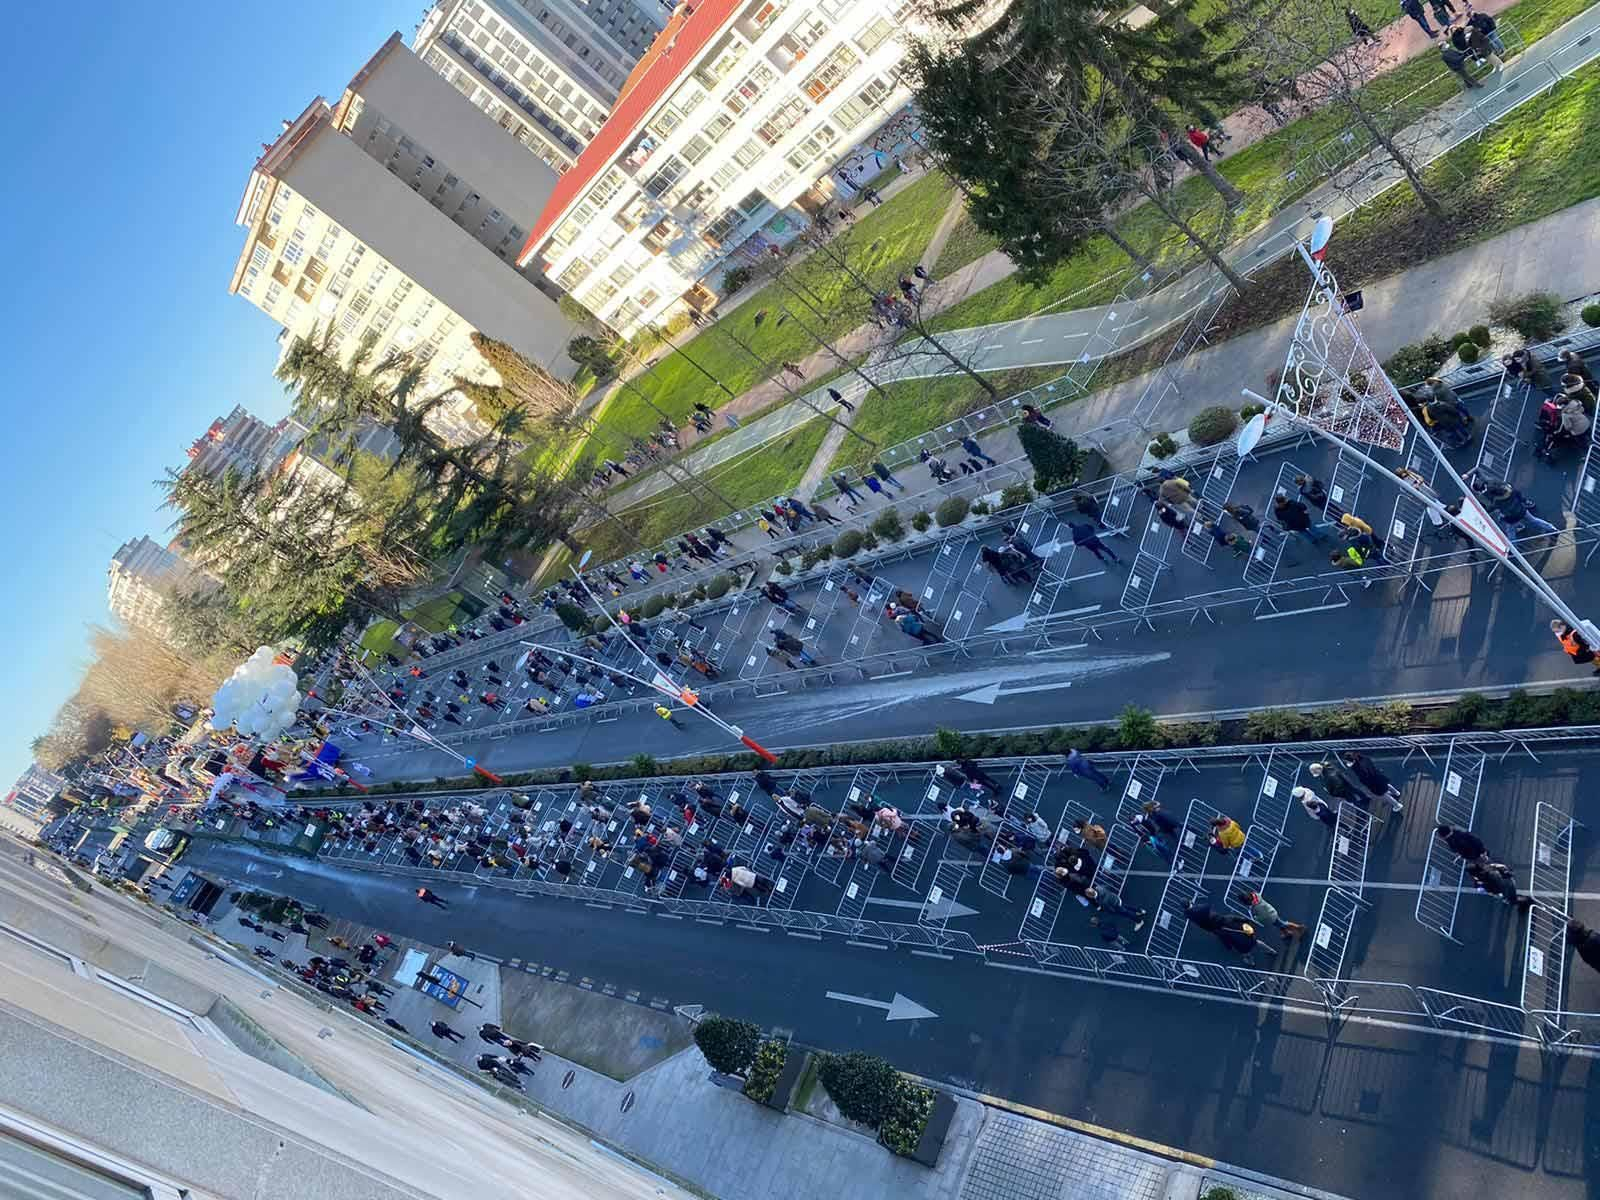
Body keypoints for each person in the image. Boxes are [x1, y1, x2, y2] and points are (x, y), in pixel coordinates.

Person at [1186, 902, 1276, 964]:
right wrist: (1246, 921)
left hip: (1238, 943)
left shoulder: (1220, 931)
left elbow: (1226, 941)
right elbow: (1239, 918)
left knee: (1245, 952)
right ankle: (1271, 951)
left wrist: (1228, 947)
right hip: (1245, 934)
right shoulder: (1228, 918)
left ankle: (1251, 961)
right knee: (1257, 942)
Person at [1340, 750, 1405, 812]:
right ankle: (1396, 793)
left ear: (1351, 760)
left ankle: (1397, 805)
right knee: (1385, 784)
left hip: (1373, 782)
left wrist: (1353, 767)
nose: (1346, 763)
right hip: (1377, 775)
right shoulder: (1363, 758)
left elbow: (1363, 777)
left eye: (1346, 761)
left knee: (1382, 793)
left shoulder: (1357, 767)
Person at [1467, 860, 1532, 908]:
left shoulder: (1480, 880)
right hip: (1507, 881)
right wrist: (1509, 873)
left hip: (1503, 888)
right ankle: (1523, 900)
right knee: (1511, 895)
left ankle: (1527, 901)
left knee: (1512, 900)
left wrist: (1496, 894)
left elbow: (1488, 890)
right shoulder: (1487, 866)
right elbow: (1501, 866)